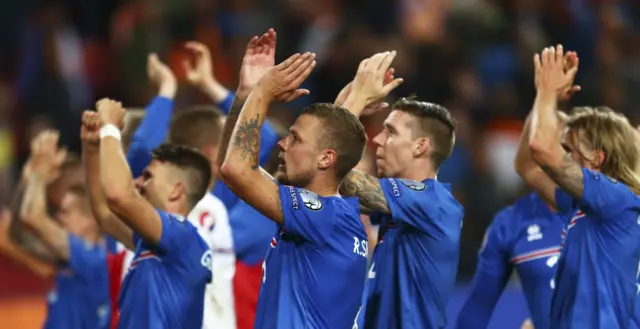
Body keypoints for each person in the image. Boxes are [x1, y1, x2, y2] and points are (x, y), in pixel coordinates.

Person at [217, 29, 368, 328]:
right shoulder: (324, 213)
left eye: (295, 139)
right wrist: (246, 96)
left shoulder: (323, 216)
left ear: (326, 158)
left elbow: (236, 170)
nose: (283, 144)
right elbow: (232, 165)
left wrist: (261, 94)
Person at [337, 51, 464, 329]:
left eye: (391, 132)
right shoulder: (401, 209)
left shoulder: (432, 203)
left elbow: (337, 174)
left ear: (421, 146)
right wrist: (342, 106)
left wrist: (354, 103)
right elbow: (325, 180)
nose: (377, 140)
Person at [520, 45, 640, 328]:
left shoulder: (615, 199)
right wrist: (544, 100)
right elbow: (528, 165)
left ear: (597, 159)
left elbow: (542, 149)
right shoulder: (586, 205)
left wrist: (548, 91)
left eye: (569, 150)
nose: (564, 157)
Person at [82, 99, 212, 329]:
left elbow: (118, 196)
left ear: (176, 191)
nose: (138, 182)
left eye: (148, 176)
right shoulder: (152, 240)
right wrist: (92, 148)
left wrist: (111, 129)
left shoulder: (182, 237)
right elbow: (103, 211)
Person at [11, 130, 110, 329]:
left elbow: (31, 216)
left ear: (90, 220)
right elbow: (18, 235)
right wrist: (26, 182)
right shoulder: (69, 259)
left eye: (67, 212)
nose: (59, 217)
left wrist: (39, 173)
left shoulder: (96, 261)